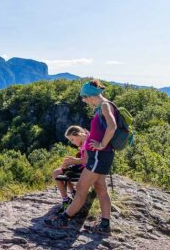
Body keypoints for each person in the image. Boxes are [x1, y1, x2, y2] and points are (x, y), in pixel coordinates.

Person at [45, 80, 117, 234]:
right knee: (101, 189)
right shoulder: (103, 106)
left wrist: (102, 144)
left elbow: (112, 127)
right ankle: (105, 225)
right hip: (102, 156)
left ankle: (63, 219)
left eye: (84, 97)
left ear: (90, 95)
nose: (84, 101)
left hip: (98, 156)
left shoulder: (104, 106)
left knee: (82, 189)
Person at [52, 125, 88, 213]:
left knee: (57, 173)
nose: (72, 142)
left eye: (72, 139)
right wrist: (71, 160)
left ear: (77, 134)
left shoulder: (87, 141)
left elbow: (86, 161)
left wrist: (72, 161)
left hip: (84, 168)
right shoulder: (85, 140)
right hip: (81, 167)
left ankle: (67, 199)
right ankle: (71, 194)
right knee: (58, 172)